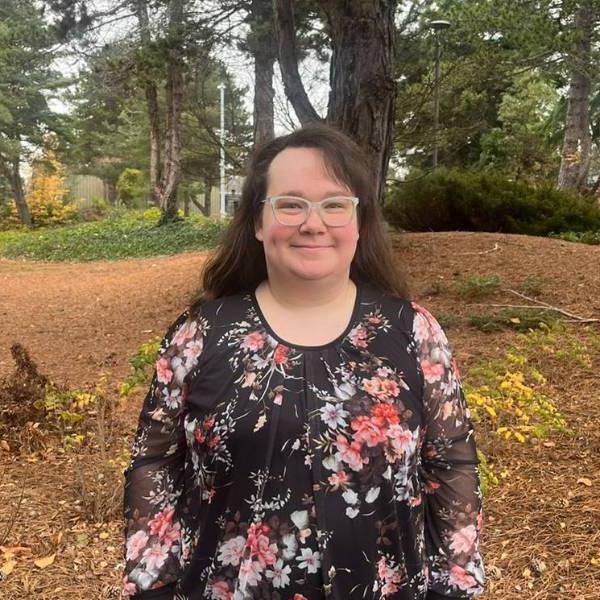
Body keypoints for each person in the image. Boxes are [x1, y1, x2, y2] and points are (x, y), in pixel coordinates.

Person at [122, 124, 485, 600]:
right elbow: (154, 463)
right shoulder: (200, 335)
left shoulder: (413, 332)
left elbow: (452, 464)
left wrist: (454, 586)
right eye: (290, 204)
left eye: (334, 205)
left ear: (358, 223)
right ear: (257, 221)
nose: (313, 224)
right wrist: (152, 585)